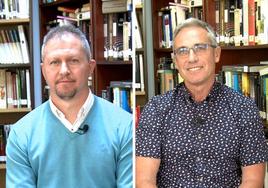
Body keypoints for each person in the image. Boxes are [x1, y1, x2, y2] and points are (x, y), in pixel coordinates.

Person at [136, 18, 268, 188]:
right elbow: (144, 181)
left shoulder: (243, 108)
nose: (192, 58)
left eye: (200, 48)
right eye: (183, 51)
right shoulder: (156, 110)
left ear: (216, 53)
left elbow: (253, 181)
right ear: (175, 61)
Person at [6, 24, 133, 188]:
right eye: (54, 62)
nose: (64, 70)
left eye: (73, 61)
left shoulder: (124, 126)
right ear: (43, 71)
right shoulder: (21, 134)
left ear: (90, 67)